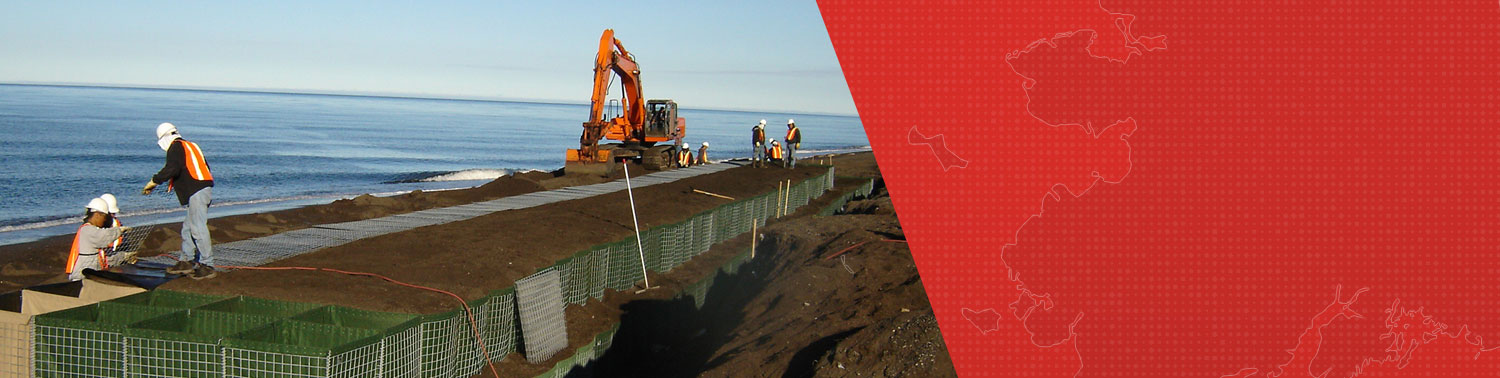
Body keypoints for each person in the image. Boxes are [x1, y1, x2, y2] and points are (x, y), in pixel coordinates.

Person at [142, 122, 217, 280]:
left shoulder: (176, 147)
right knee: (187, 227)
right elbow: (205, 167)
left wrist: (154, 181)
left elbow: (172, 168)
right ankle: (186, 261)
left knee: (197, 227)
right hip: (201, 188)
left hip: (197, 190)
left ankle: (207, 264)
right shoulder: (191, 145)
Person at [65, 198, 127, 281]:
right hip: (82, 276)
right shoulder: (87, 230)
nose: (105, 220)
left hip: (90, 273)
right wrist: (119, 230)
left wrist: (121, 257)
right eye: (104, 217)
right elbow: (103, 237)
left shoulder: (90, 229)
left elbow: (103, 259)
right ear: (97, 215)